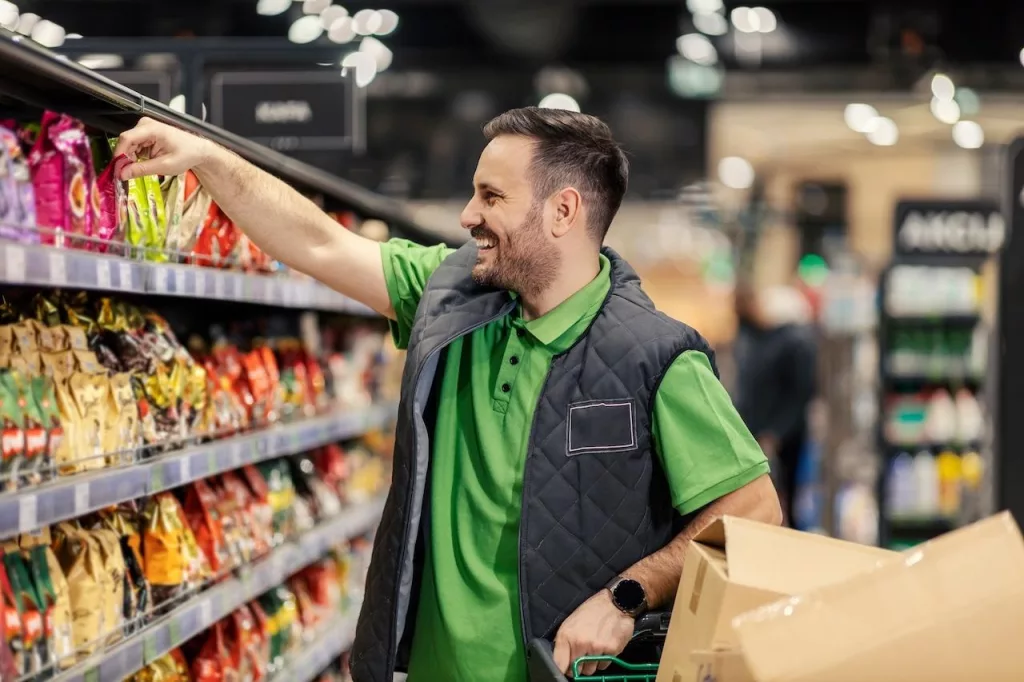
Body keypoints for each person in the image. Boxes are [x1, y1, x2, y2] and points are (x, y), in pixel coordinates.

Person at [114, 109, 782, 682]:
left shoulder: (652, 354)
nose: (468, 215)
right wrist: (205, 157)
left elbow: (753, 510)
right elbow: (318, 242)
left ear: (563, 210)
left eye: (491, 197)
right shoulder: (450, 299)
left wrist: (625, 597)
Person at [732, 282, 817, 526]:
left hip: (783, 437)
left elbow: (799, 394)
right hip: (758, 432)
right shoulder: (754, 339)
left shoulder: (793, 343)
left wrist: (776, 433)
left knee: (787, 499)